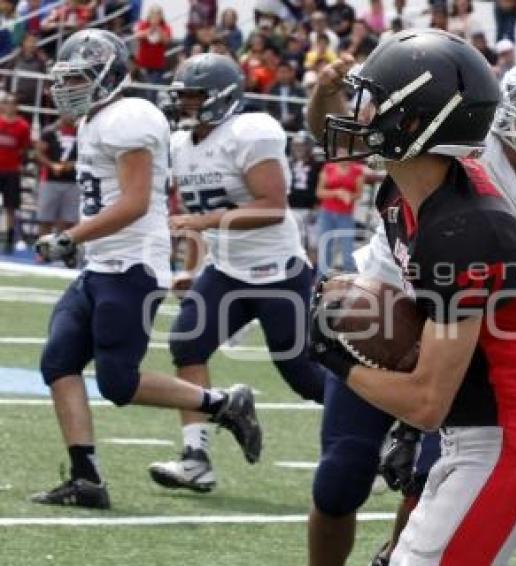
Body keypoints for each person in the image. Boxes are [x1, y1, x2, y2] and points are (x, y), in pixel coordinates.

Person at [307, 48, 516, 566]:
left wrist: (333, 354)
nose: (362, 114)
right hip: (475, 434)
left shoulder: (463, 227)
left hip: (504, 445)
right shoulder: (409, 190)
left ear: (416, 120)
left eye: (376, 102)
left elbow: (426, 402)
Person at [31, 30, 261, 509]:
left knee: (118, 382)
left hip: (132, 266)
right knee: (58, 361)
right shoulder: (97, 120)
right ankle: (86, 477)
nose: (68, 87)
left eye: (79, 77)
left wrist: (71, 236)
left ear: (109, 76)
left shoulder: (131, 116)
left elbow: (136, 202)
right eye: (66, 77)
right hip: (101, 265)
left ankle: (224, 404)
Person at [147, 53, 327, 492]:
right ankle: (195, 458)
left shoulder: (250, 132)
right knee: (187, 343)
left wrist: (202, 225)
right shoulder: (179, 145)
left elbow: (271, 207)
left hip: (277, 273)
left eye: (194, 96)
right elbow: (195, 215)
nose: (186, 105)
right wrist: (192, 269)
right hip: (226, 270)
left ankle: (386, 425)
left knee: (302, 374)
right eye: (182, 96)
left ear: (222, 98)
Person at [315, 152, 365, 276]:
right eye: (341, 153)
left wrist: (349, 196)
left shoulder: (357, 170)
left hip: (345, 214)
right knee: (325, 248)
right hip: (327, 212)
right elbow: (319, 192)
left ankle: (350, 278)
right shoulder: (329, 167)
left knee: (347, 248)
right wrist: (337, 193)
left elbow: (358, 194)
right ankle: (320, 280)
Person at [35, 113, 78, 247]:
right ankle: (42, 249)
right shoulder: (49, 131)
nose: (72, 117)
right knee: (45, 219)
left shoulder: (82, 132)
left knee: (69, 220)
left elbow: (87, 154)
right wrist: (51, 165)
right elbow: (38, 153)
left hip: (73, 181)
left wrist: (74, 164)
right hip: (50, 180)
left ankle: (62, 251)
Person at [0, 92, 30, 254]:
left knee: (11, 206)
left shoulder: (22, 126)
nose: (9, 106)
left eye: (13, 103)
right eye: (7, 102)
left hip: (11, 171)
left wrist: (20, 164)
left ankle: (10, 239)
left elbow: (25, 149)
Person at [288, 131, 323, 259]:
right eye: (296, 146)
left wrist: (318, 205)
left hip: (311, 208)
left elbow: (321, 184)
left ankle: (313, 272)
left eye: (302, 146)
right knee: (296, 241)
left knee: (314, 243)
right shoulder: (289, 164)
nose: (299, 149)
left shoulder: (316, 165)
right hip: (292, 208)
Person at [133, 4, 173, 85]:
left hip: (157, 66)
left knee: (152, 91)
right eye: (153, 15)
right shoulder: (143, 24)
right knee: (142, 88)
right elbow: (137, 36)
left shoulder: (165, 27)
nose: (155, 18)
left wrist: (160, 31)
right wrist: (148, 31)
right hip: (142, 64)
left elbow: (167, 41)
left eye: (158, 15)